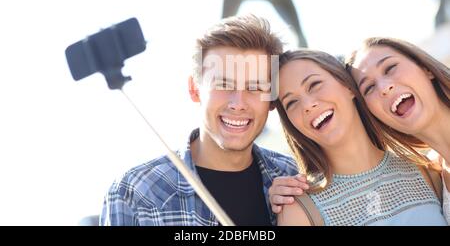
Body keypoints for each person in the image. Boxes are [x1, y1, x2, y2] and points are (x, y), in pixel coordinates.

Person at [99, 14, 307, 226]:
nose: (238, 103)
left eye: (255, 87)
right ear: (194, 89)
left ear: (272, 99)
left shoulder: (295, 179)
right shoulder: (135, 192)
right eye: (224, 85)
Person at [270, 38, 450, 224]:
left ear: (348, 86)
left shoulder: (427, 172)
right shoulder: (299, 208)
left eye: (314, 85)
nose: (307, 105)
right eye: (291, 103)